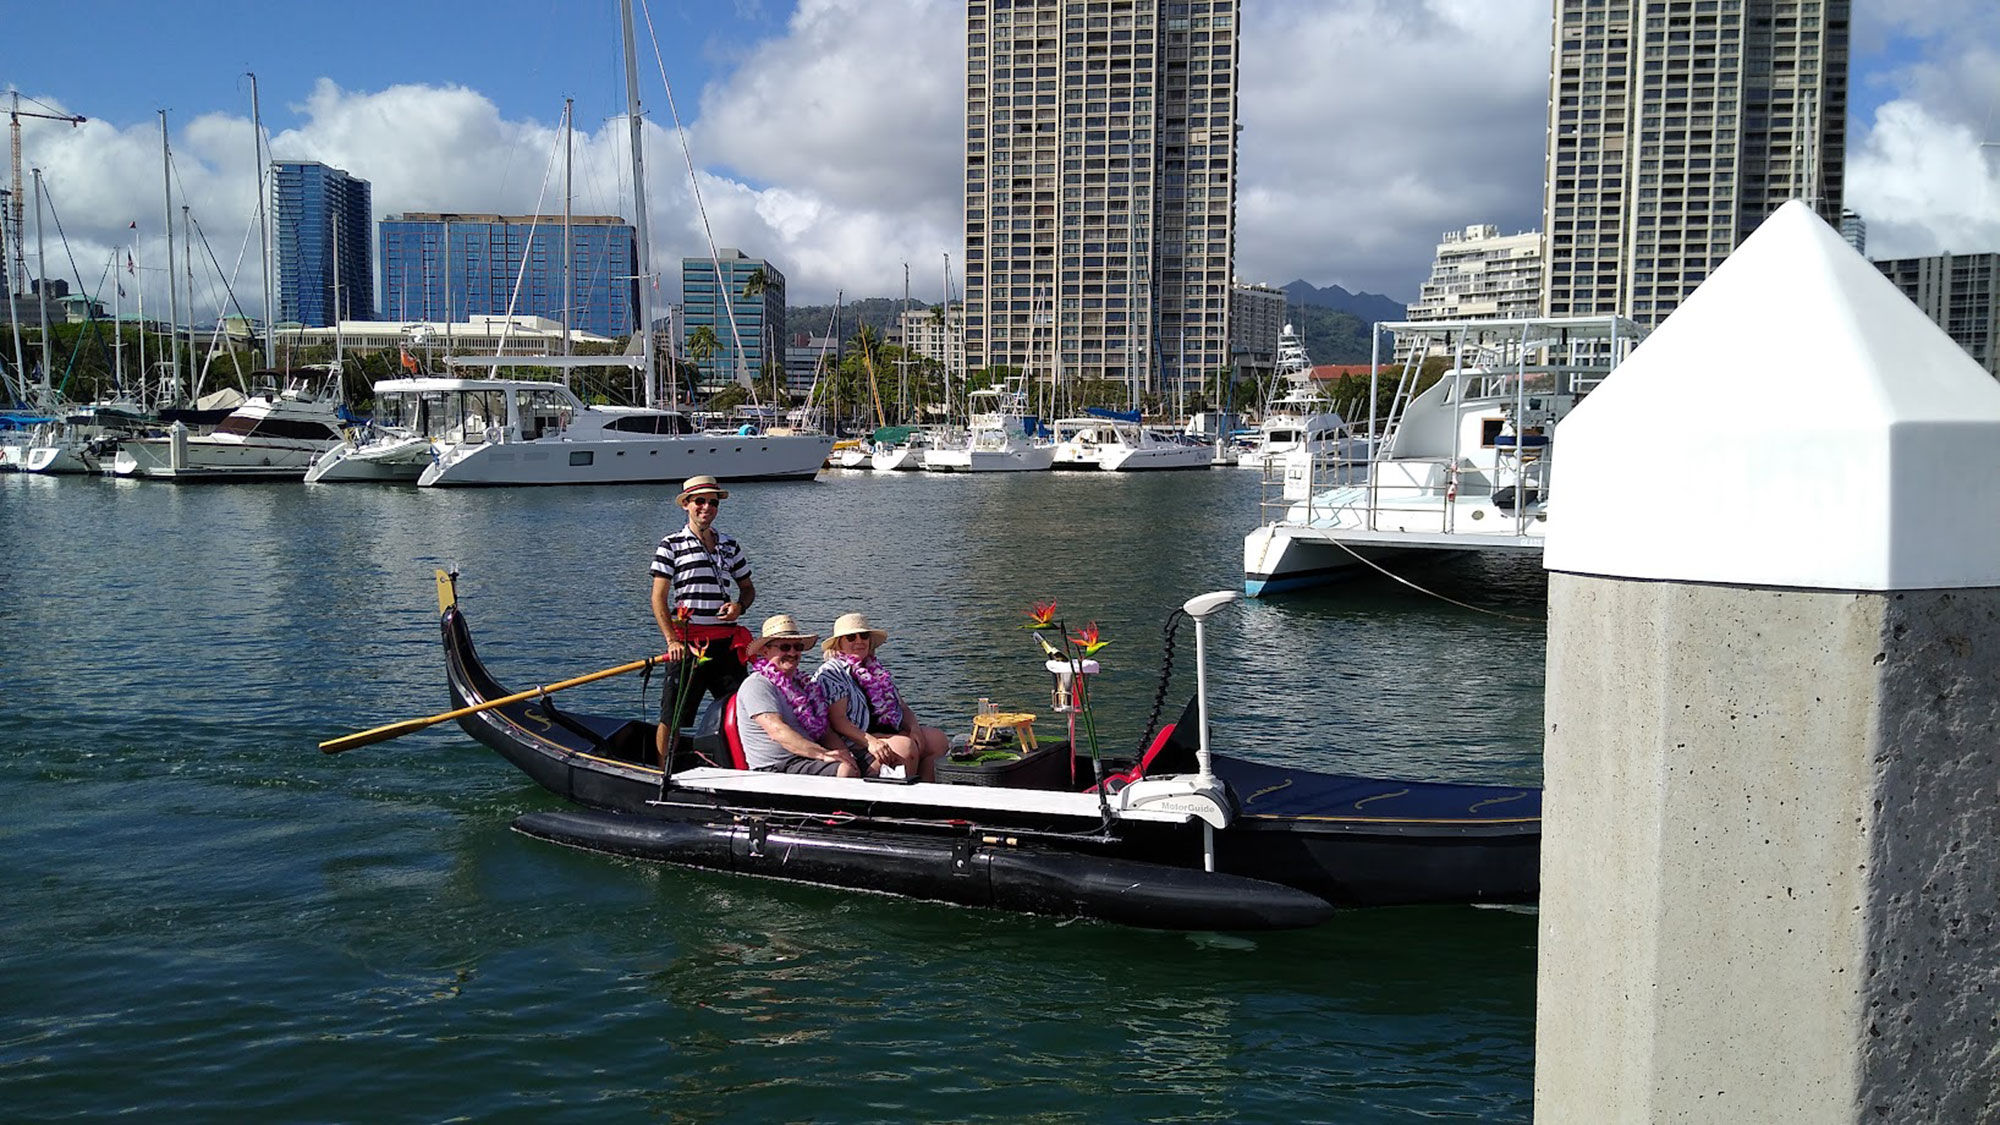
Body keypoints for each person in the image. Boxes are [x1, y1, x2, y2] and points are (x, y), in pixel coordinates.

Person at [651, 475, 755, 763]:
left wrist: (739, 607)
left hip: (726, 645)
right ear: (686, 505)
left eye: (712, 502)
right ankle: (663, 772)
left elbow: (747, 589)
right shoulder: (670, 545)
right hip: (688, 645)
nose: (706, 507)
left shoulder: (730, 545)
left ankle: (743, 766)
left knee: (741, 710)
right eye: (700, 501)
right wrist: (671, 640)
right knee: (672, 716)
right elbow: (658, 598)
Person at [813, 612, 950, 783]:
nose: (859, 641)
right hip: (856, 742)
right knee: (904, 747)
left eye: (863, 636)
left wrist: (914, 729)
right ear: (839, 644)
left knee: (937, 740)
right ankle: (896, 802)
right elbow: (838, 721)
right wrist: (871, 741)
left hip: (886, 732)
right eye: (851, 637)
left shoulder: (876, 669)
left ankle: (925, 794)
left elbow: (903, 707)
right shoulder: (832, 673)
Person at [736, 615, 872, 777]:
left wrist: (845, 754)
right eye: (785, 647)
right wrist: (823, 754)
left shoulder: (803, 684)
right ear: (766, 651)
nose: (792, 652)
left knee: (886, 757)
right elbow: (777, 731)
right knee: (845, 769)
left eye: (798, 647)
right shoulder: (757, 684)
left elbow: (825, 732)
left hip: (808, 757)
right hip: (776, 766)